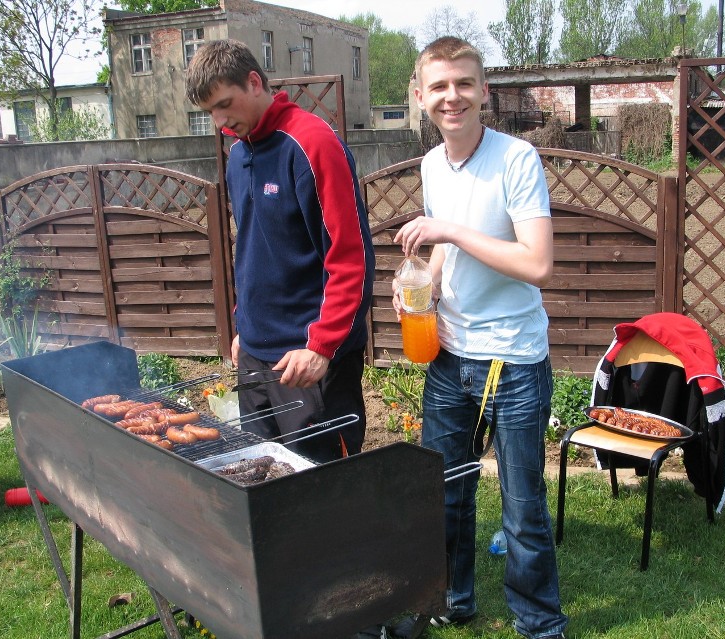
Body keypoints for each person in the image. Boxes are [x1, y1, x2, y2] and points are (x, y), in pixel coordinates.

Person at [390, 37, 568, 639]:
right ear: (420, 96)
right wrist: (426, 288)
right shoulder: (432, 163)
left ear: (483, 90)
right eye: (438, 86)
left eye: (463, 83)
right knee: (444, 493)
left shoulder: (517, 159)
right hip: (450, 355)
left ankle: (539, 623)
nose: (452, 97)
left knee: (521, 509)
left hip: (513, 360)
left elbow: (537, 263)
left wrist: (450, 231)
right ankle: (452, 599)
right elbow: (442, 250)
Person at [185, 39, 375, 466]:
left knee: (323, 488)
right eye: (210, 112)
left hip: (307, 360)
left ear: (254, 82)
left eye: (225, 104)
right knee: (264, 479)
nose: (219, 121)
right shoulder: (238, 156)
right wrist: (243, 326)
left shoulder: (312, 144)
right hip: (255, 355)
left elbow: (351, 258)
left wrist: (322, 346)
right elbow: (257, 248)